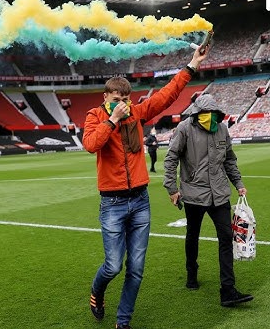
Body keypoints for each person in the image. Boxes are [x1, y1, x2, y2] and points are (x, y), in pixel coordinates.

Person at [83, 45, 209, 329]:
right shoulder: (95, 116)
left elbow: (167, 95)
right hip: (112, 204)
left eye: (126, 99)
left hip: (140, 200)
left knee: (136, 270)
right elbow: (91, 145)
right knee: (114, 266)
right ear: (106, 98)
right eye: (116, 99)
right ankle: (97, 292)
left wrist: (191, 64)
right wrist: (112, 120)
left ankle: (123, 321)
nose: (123, 104)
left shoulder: (138, 113)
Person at [162, 93, 254, 308]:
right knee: (192, 235)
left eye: (212, 114)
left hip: (219, 193)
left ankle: (228, 290)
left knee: (226, 237)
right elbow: (171, 158)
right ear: (197, 113)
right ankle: (191, 273)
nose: (209, 117)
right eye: (205, 114)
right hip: (194, 193)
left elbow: (229, 159)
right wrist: (172, 189)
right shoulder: (185, 128)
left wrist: (238, 183)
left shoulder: (222, 129)